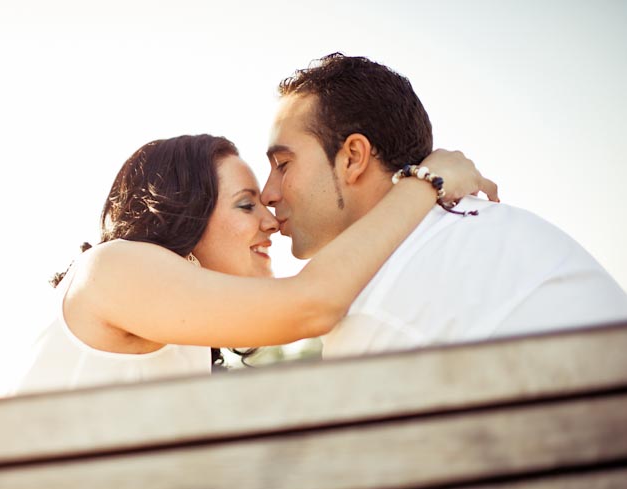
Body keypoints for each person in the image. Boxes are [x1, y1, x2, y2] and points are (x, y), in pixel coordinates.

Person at [13, 134, 495, 394]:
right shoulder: (112, 270)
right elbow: (312, 305)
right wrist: (424, 181)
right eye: (246, 205)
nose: (271, 221)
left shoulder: (185, 346)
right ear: (184, 213)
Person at [261, 53, 627, 358]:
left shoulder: (383, 303)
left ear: (353, 157)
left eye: (283, 165)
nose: (268, 194)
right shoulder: (478, 230)